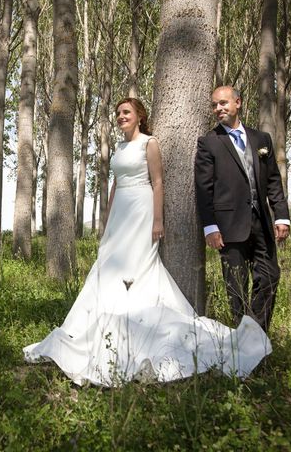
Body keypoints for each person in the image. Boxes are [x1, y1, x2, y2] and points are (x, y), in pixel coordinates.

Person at [24, 98, 271, 387]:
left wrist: (157, 221)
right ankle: (93, 324)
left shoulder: (148, 143)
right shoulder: (119, 147)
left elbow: (158, 182)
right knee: (107, 266)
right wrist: (107, 221)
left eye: (126, 112)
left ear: (139, 116)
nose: (120, 117)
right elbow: (116, 184)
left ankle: (133, 325)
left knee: (138, 267)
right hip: (120, 215)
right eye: (117, 113)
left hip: (141, 209)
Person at [195, 86, 290, 333]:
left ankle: (255, 333)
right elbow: (204, 188)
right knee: (236, 286)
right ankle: (242, 340)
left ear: (238, 102)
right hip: (227, 227)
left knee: (270, 275)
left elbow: (272, 181)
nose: (218, 109)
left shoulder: (261, 139)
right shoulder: (209, 142)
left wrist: (281, 215)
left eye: (223, 103)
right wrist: (210, 226)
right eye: (215, 105)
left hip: (262, 222)